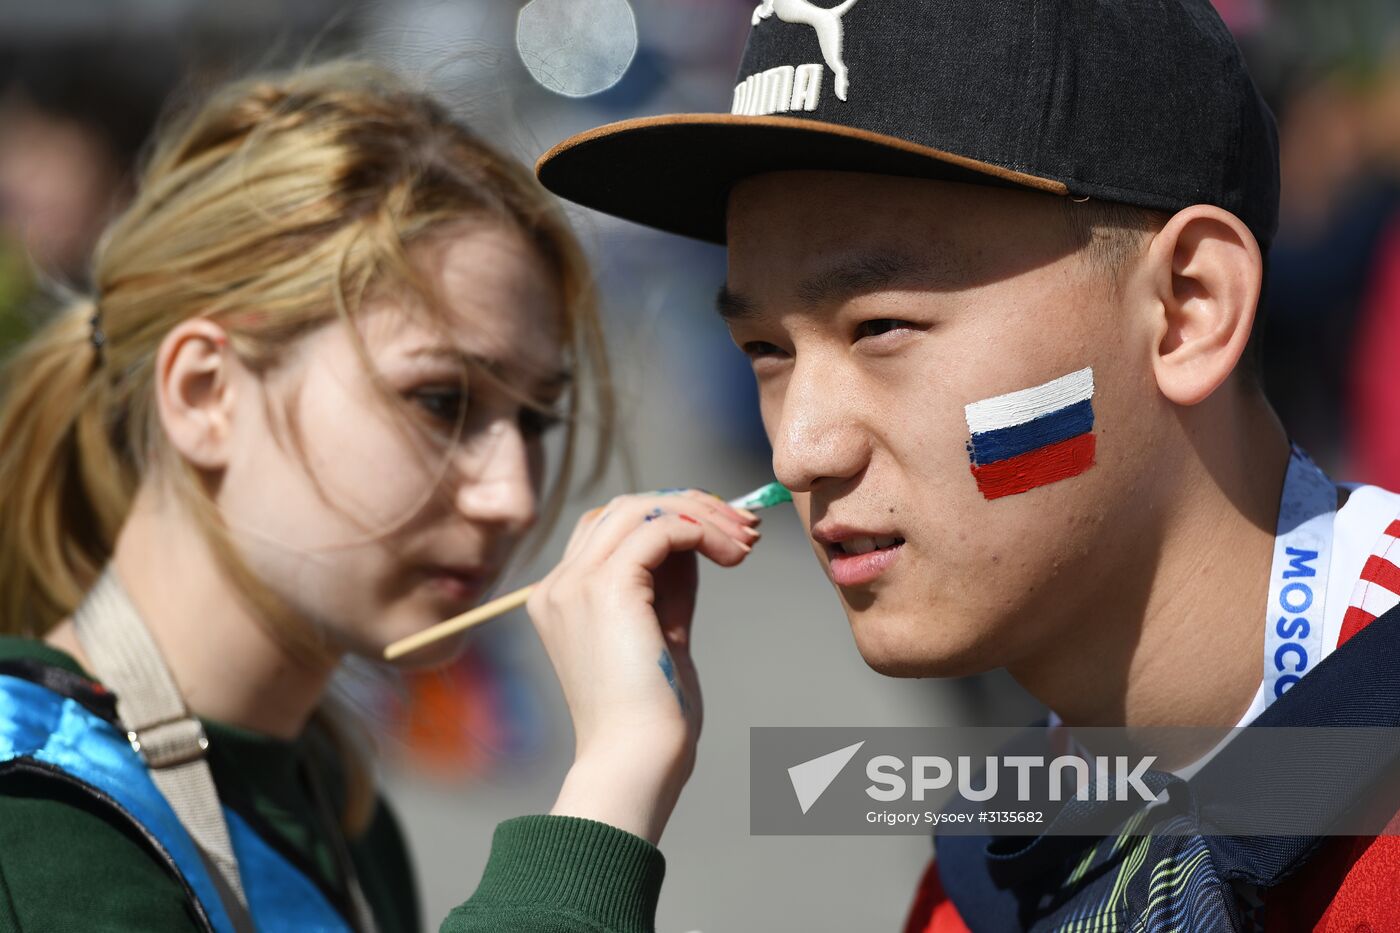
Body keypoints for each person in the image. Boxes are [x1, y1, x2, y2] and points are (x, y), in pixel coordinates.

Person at [447, 0, 1400, 930]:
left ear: (1189, 307)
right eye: (766, 351)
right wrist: (608, 788)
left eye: (882, 326)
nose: (800, 449)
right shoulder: (993, 874)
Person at [0, 60, 762, 931]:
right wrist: (613, 779)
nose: (510, 495)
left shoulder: (334, 805)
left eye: (536, 419)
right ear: (205, 393)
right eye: (442, 401)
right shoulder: (32, 826)